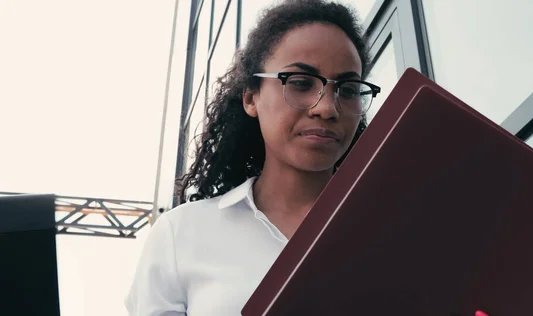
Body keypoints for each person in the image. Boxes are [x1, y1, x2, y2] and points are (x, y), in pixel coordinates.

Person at [125, 0, 381, 314]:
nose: (327, 108)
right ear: (251, 97)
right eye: (300, 83)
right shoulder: (181, 235)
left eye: (348, 89)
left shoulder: (393, 231)